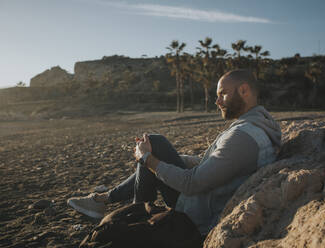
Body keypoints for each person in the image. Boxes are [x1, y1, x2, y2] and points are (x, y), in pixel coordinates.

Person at [67, 69, 281, 236]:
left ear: (244, 90)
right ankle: (106, 199)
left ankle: (132, 213)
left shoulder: (242, 136)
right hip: (209, 195)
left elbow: (191, 184)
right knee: (156, 148)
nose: (216, 101)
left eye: (222, 94)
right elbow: (226, 165)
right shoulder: (260, 125)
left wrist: (147, 159)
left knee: (154, 145)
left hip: (197, 212)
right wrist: (181, 160)